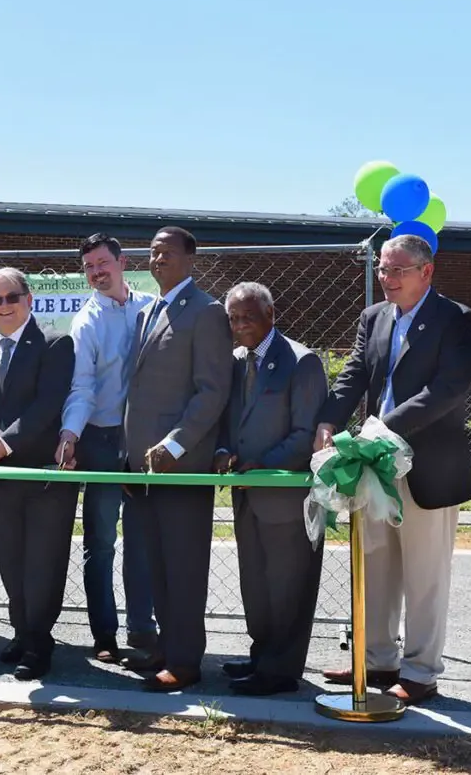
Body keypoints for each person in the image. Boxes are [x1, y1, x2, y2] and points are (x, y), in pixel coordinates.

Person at [316, 234, 471, 706]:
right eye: (383, 270)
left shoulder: (457, 320)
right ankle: (376, 660)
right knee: (375, 564)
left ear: (426, 272)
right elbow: (353, 375)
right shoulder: (373, 317)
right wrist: (329, 418)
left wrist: (379, 428)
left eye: (397, 270)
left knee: (425, 574)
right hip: (373, 466)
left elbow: (447, 391)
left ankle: (421, 672)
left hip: (428, 466)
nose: (386, 279)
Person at [121, 226, 232, 692]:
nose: (158, 258)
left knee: (183, 565)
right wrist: (130, 457)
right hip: (142, 468)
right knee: (156, 563)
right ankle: (166, 647)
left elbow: (212, 391)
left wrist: (176, 445)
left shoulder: (206, 312)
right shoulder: (151, 310)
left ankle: (185, 660)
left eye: (167, 252)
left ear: (191, 258)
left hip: (180, 467)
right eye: (152, 252)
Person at [0, 268, 77, 680]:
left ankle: (39, 644)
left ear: (29, 299)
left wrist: (3, 443)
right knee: (11, 560)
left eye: (11, 297)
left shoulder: (56, 343)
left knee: (42, 564)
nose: (4, 306)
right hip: (3, 476)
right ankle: (23, 633)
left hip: (45, 477)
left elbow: (46, 406)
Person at [212, 282, 327, 696]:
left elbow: (306, 433)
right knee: (257, 585)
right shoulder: (236, 361)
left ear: (271, 315)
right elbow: (229, 421)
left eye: (249, 317)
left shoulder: (301, 361)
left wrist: (266, 463)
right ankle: (262, 655)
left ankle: (281, 671)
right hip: (247, 495)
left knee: (286, 585)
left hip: (285, 496)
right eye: (234, 318)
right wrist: (225, 450)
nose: (240, 325)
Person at [56, 233, 156, 664]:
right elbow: (82, 387)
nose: (97, 273)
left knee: (144, 537)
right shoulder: (87, 322)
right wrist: (70, 433)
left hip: (147, 440)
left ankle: (143, 627)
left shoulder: (151, 307)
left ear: (121, 262)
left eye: (103, 263)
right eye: (89, 268)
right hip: (101, 438)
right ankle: (105, 634)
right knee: (101, 542)